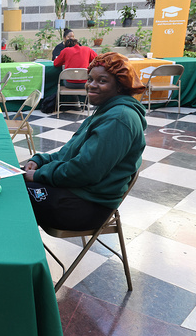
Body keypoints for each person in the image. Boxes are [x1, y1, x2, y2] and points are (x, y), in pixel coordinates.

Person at [24, 52, 147, 231]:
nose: (92, 85)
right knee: (11, 181)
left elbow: (84, 171)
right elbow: (68, 153)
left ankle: (18, 257)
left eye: (102, 81)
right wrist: (39, 161)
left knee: (12, 196)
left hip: (85, 207)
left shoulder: (118, 118)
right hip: (76, 193)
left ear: (120, 86)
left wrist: (39, 175)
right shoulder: (106, 110)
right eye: (90, 79)